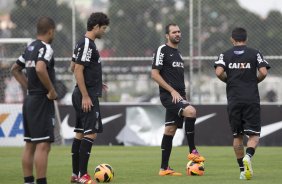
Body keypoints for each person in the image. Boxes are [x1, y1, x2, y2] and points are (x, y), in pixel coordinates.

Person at [214, 27, 270, 180]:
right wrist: (254, 81)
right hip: (251, 98)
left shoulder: (225, 54)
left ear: (232, 39)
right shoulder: (255, 53)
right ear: (246, 39)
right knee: (254, 135)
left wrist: (228, 80)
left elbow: (218, 72)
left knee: (237, 136)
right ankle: (248, 156)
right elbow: (264, 72)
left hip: (234, 99)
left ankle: (241, 170)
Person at [151, 23, 205, 176]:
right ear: (167, 35)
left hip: (179, 95)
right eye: (174, 32)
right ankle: (193, 151)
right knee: (191, 111)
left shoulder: (179, 54)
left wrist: (183, 96)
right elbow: (154, 74)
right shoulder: (162, 50)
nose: (178, 34)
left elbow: (178, 79)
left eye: (179, 31)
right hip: (169, 95)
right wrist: (172, 91)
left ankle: (164, 168)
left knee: (170, 130)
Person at [10, 17, 57, 184]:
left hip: (29, 100)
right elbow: (40, 68)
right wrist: (51, 90)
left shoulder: (30, 48)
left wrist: (28, 86)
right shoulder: (46, 48)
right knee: (43, 145)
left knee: (30, 144)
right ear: (50, 30)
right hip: (41, 101)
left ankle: (28, 181)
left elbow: (15, 69)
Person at [70, 12, 109, 184]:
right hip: (85, 96)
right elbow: (77, 70)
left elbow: (73, 66)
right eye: (103, 28)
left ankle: (75, 175)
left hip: (83, 92)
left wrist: (95, 82)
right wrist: (86, 95)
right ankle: (83, 175)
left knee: (80, 134)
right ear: (96, 27)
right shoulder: (87, 44)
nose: (104, 31)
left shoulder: (82, 43)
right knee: (90, 134)